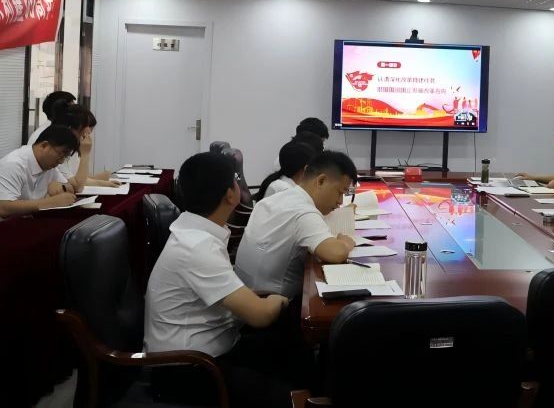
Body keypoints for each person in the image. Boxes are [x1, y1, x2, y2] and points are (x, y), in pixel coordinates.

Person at [145, 152, 309, 407]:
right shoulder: (196, 247)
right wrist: (280, 300)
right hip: (189, 369)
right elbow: (260, 315)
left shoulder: (195, 232)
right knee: (291, 393)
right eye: (235, 181)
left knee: (294, 348)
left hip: (211, 348)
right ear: (231, 195)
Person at [235, 151, 357, 298]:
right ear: (321, 181)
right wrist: (346, 243)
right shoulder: (303, 212)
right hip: (275, 303)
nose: (340, 201)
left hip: (245, 294)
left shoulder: (277, 199)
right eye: (340, 192)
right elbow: (336, 253)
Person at [0, 126, 80, 218]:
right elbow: (3, 208)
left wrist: (63, 187)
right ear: (44, 146)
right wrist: (51, 203)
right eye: (61, 154)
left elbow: (68, 186)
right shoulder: (14, 164)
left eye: (66, 156)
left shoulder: (49, 165)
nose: (61, 161)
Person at [47, 103, 118, 190]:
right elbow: (78, 186)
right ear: (70, 128)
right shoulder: (57, 151)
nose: (88, 133)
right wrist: (85, 153)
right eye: (85, 126)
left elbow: (79, 179)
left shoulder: (71, 149)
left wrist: (104, 183)